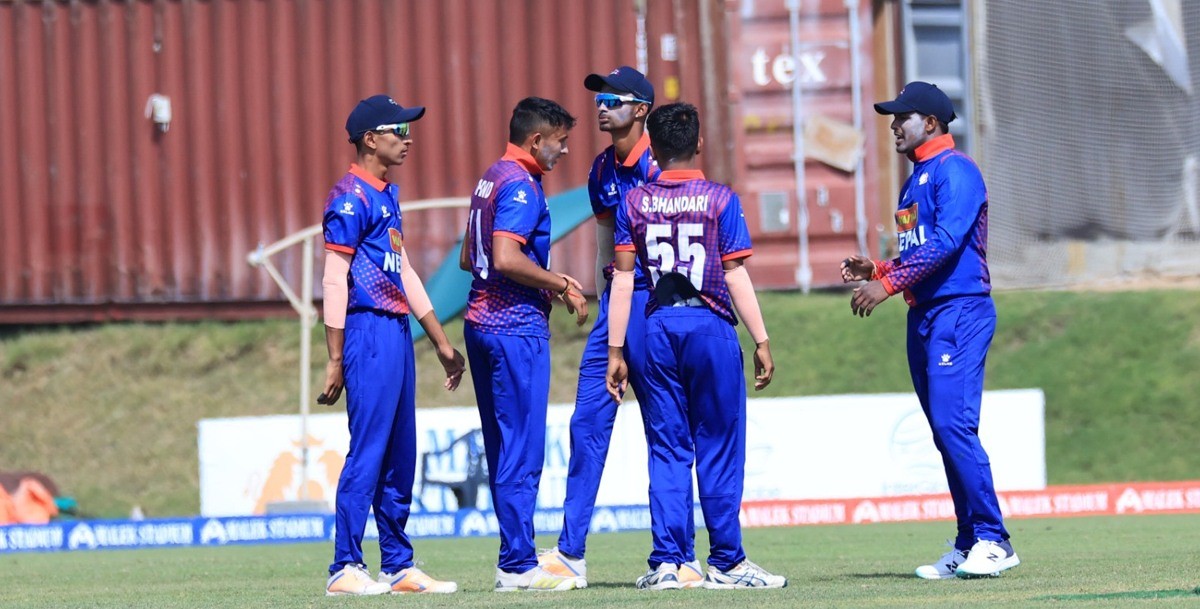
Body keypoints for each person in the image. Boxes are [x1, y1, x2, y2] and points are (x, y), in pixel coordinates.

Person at [840, 81, 1019, 579]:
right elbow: (922, 251)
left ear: (932, 123)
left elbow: (945, 243)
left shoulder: (955, 170)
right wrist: (880, 268)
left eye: (903, 117)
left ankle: (995, 540)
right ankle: (969, 540)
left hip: (958, 311)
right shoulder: (914, 180)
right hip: (925, 315)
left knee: (953, 426)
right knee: (946, 433)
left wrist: (886, 284)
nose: (895, 126)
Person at [606, 102, 787, 590]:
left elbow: (622, 280)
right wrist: (761, 339)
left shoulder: (634, 202)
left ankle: (669, 563)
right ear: (699, 143)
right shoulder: (720, 199)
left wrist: (616, 351)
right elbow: (735, 273)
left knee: (667, 448)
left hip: (656, 329)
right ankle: (726, 561)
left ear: (654, 148)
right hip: (709, 327)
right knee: (718, 446)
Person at [536, 66, 698, 588]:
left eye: (613, 100)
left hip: (660, 306)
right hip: (617, 305)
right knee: (587, 425)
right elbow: (606, 245)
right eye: (599, 100)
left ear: (642, 109)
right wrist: (605, 308)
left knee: (665, 431)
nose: (602, 108)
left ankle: (675, 557)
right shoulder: (602, 168)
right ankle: (570, 553)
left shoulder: (660, 163)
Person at [319, 94, 466, 596]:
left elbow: (402, 272)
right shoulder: (349, 198)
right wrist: (335, 358)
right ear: (369, 139)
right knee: (369, 449)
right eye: (398, 130)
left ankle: (398, 565)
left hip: (397, 331)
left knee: (402, 452)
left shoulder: (386, 196)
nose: (408, 139)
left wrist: (441, 341)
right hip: (367, 331)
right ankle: (344, 567)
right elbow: (334, 279)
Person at [459, 96, 590, 592]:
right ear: (536, 140)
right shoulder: (520, 184)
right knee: (522, 450)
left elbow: (469, 258)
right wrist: (560, 283)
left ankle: (514, 556)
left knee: (503, 449)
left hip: (480, 323)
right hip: (513, 329)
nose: (565, 151)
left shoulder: (491, 176)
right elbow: (505, 257)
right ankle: (517, 565)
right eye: (560, 142)